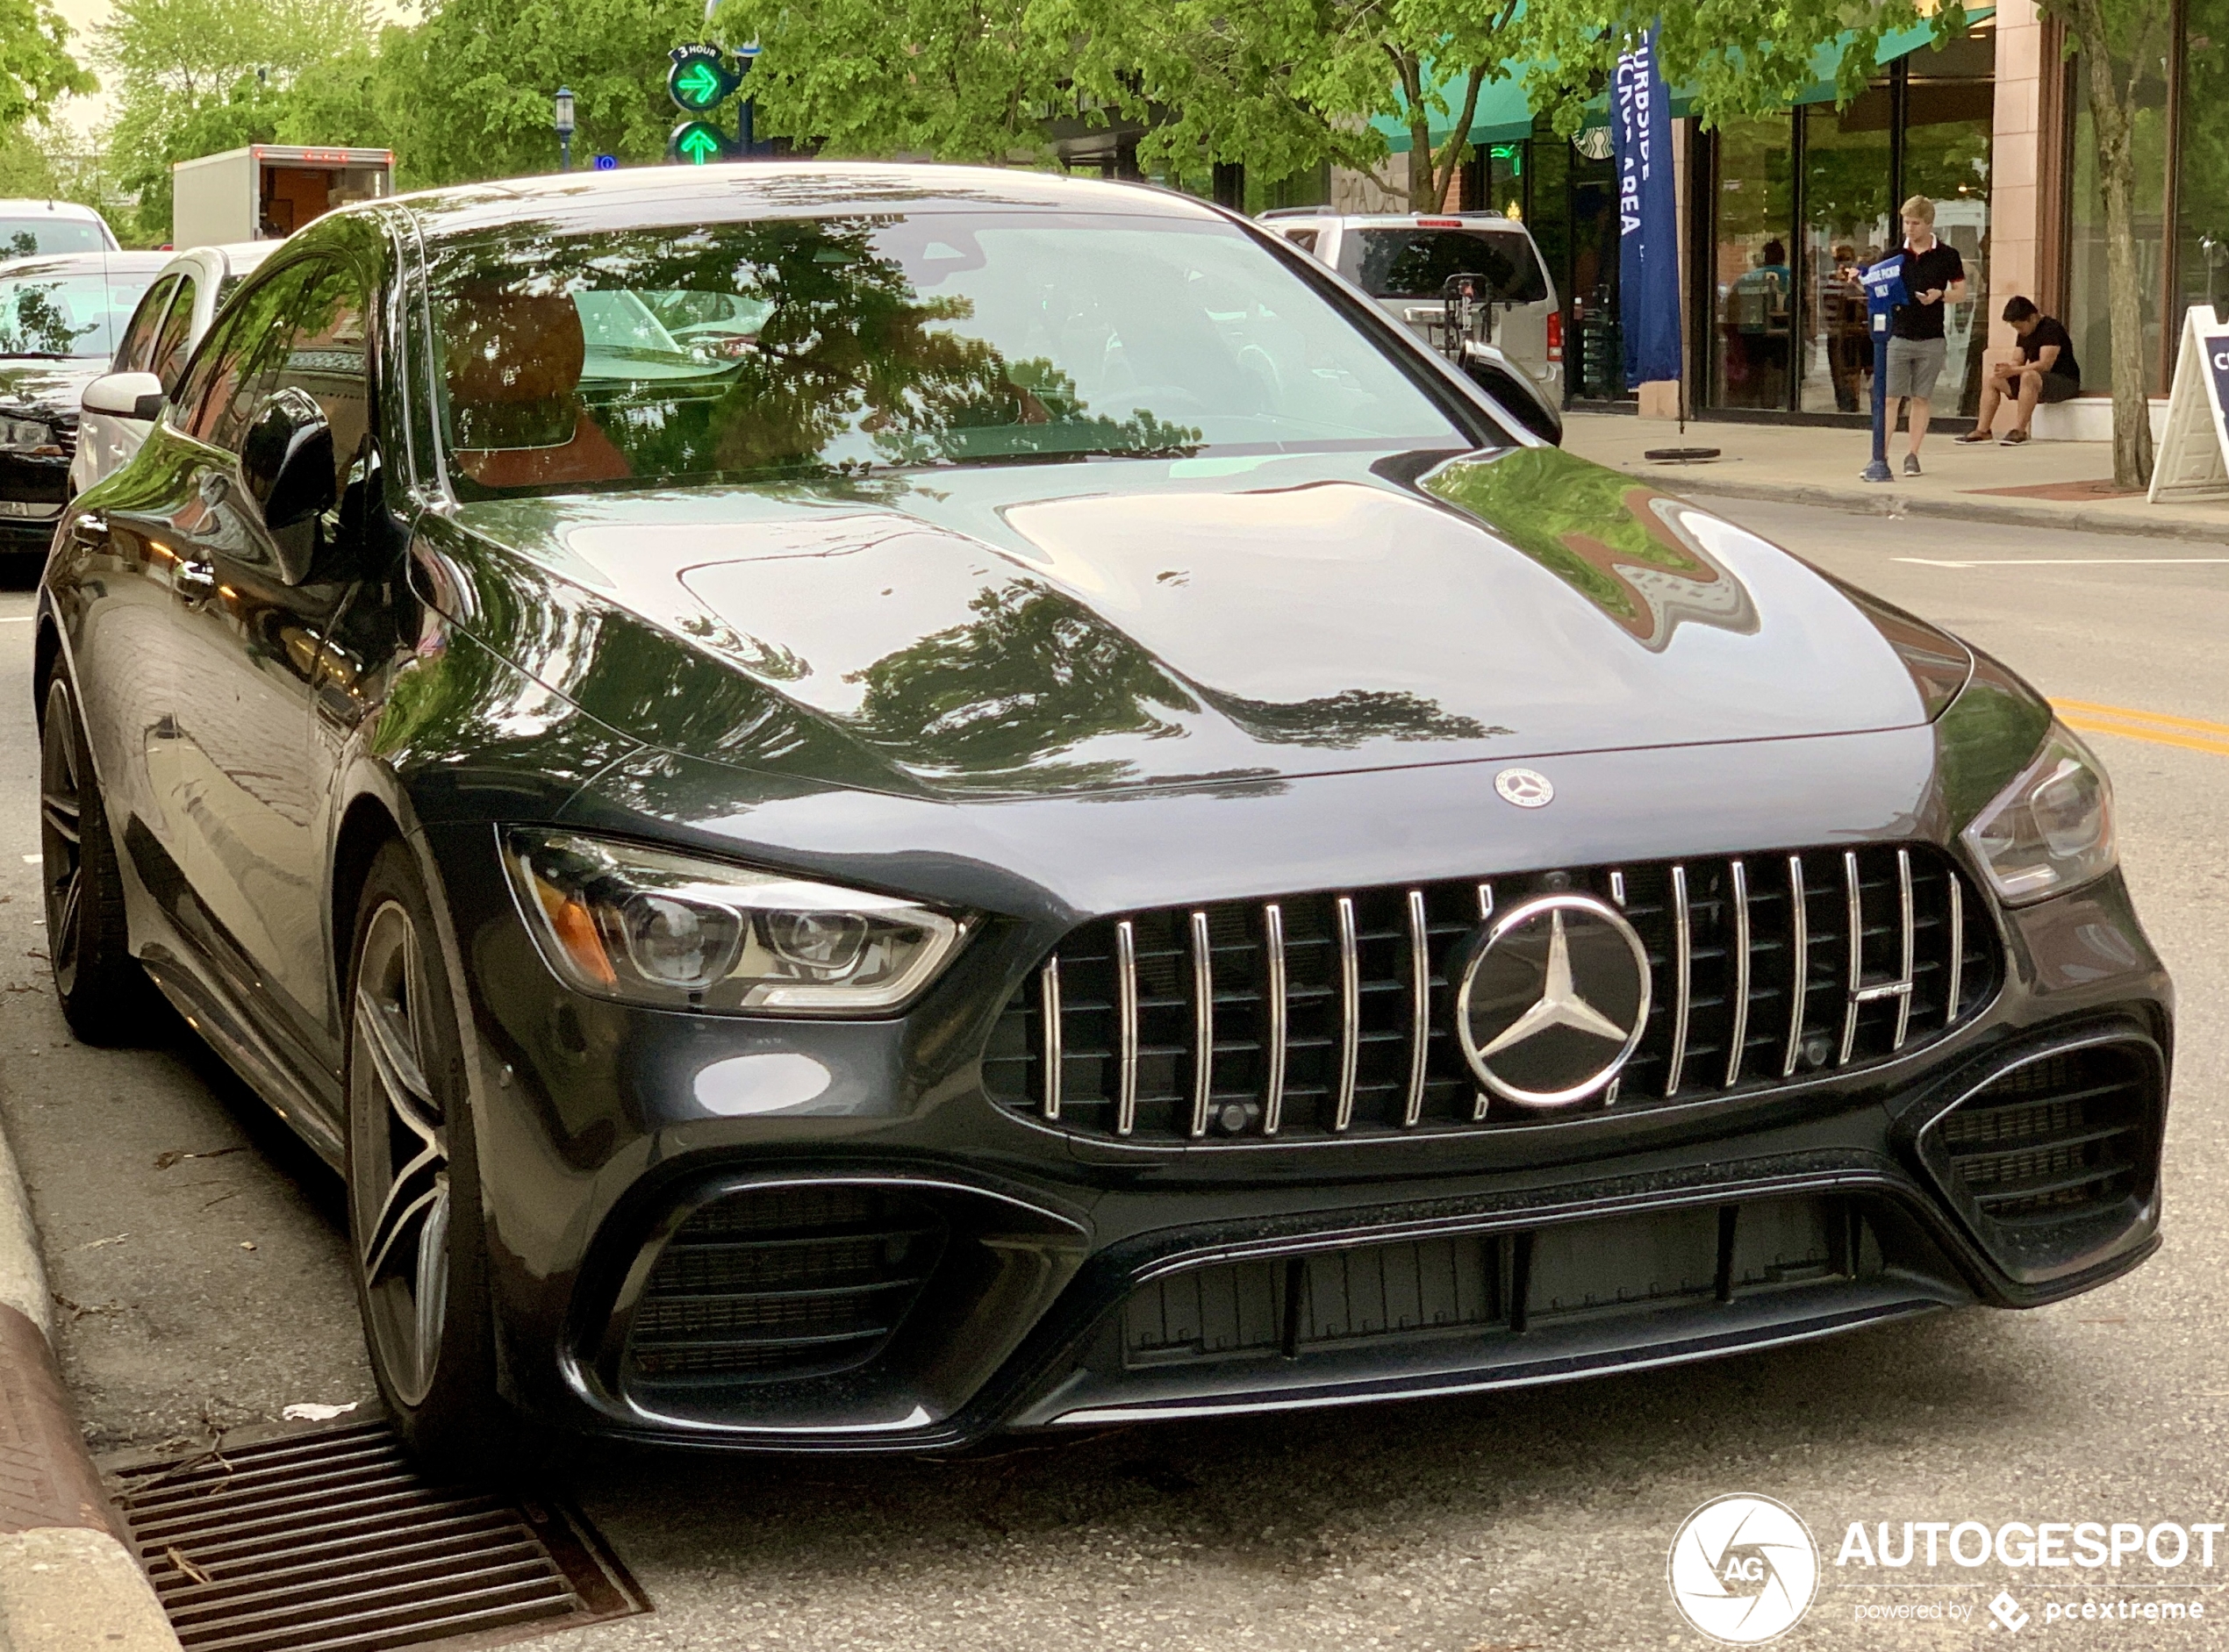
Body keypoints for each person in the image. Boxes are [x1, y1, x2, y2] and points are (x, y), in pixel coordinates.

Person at [1882, 195, 1966, 476]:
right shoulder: (1894, 255)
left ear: (1929, 224)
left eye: (1915, 223)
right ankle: (1880, 455)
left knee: (1921, 397)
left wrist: (1940, 295)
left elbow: (1961, 292)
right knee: (1891, 397)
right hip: (1899, 333)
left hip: (1931, 335)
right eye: (1906, 222)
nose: (1909, 228)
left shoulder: (1947, 255)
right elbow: (1877, 288)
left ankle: (1912, 454)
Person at [1955, 296, 2081, 446]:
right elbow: (2018, 360)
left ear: (2033, 318)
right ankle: (1983, 430)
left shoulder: (2051, 329)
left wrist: (2014, 370)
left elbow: (2045, 364)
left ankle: (2020, 430)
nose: (2019, 330)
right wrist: (2006, 369)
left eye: (2020, 326)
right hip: (2036, 382)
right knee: (1992, 379)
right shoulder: (2024, 334)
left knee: (2029, 376)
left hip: (2063, 381)